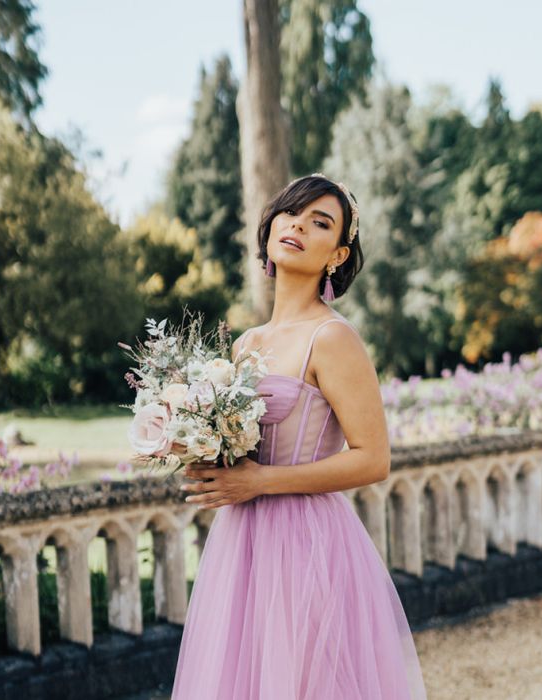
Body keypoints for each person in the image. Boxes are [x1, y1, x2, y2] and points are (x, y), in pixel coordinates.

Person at [170, 173, 427, 699]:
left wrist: (263, 480)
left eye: (320, 223)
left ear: (337, 255)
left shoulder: (332, 339)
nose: (298, 226)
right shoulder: (246, 343)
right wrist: (195, 447)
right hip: (241, 541)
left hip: (306, 543)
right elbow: (238, 448)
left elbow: (374, 459)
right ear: (270, 228)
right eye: (291, 213)